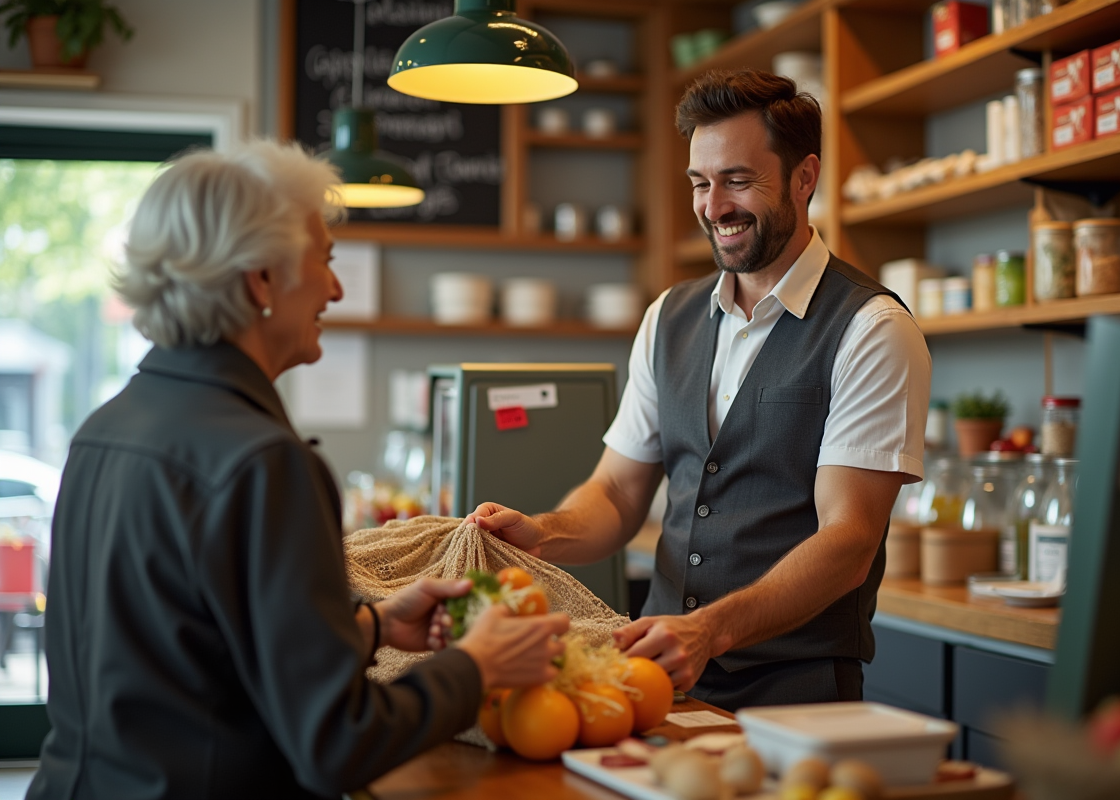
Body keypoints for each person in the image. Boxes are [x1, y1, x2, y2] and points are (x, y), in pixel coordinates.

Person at [26, 141, 569, 800]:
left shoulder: (104, 429)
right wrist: (475, 667)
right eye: (325, 260)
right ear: (260, 279)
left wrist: (372, 626)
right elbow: (335, 744)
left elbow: (188, 653)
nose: (335, 289)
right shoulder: (264, 462)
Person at [468, 69, 931, 711]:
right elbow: (616, 492)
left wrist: (711, 630)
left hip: (796, 694)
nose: (713, 208)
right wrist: (541, 534)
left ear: (804, 178)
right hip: (658, 678)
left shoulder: (870, 328)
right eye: (699, 183)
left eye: (737, 181)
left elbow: (848, 541)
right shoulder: (668, 317)